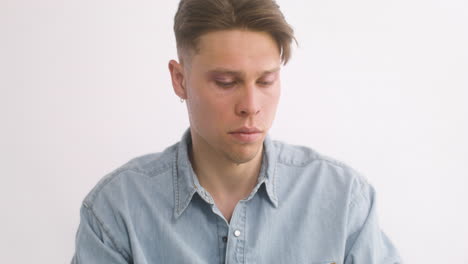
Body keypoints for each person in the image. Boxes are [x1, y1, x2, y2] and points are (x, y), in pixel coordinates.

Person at [71, 0, 402, 263]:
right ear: (180, 79)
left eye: (266, 80)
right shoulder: (116, 211)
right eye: (226, 82)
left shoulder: (344, 200)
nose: (251, 105)